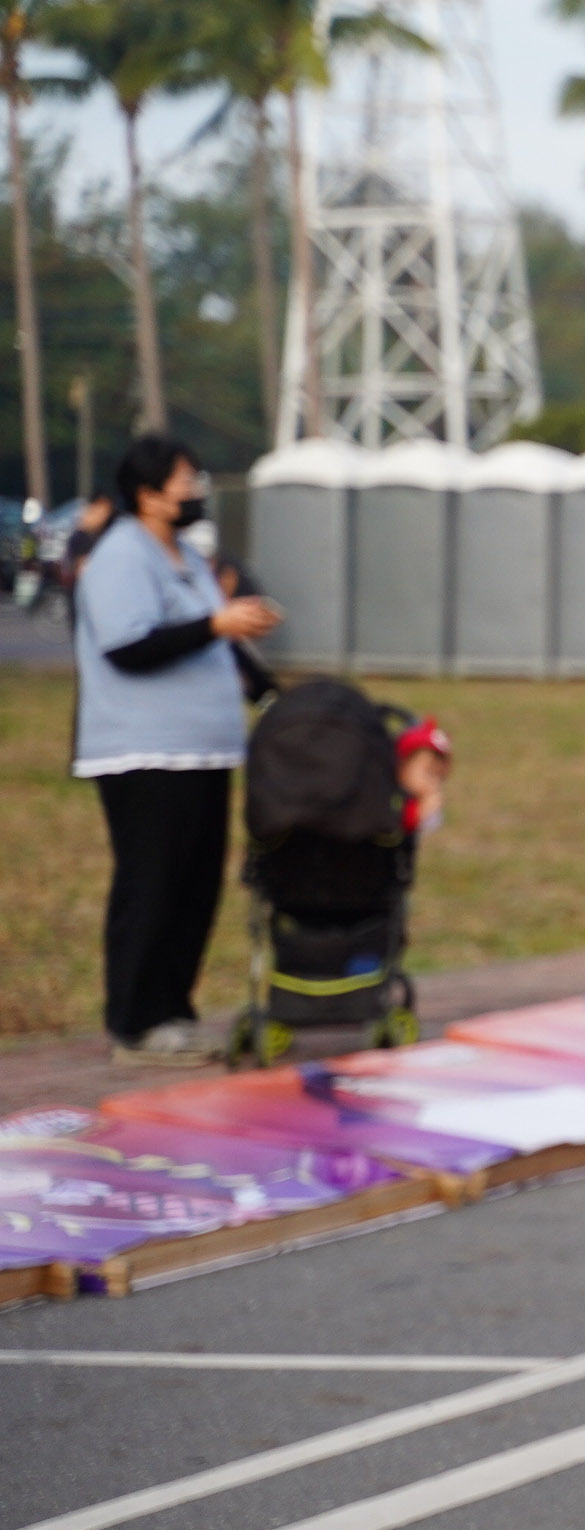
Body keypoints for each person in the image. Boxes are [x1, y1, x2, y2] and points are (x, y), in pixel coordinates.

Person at [71, 436, 284, 1065]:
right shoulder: (120, 554)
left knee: (194, 889)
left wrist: (272, 694)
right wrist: (217, 623)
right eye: (185, 481)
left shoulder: (186, 556)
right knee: (152, 884)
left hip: (204, 752)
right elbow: (128, 647)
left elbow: (215, 644)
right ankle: (135, 1025)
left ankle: (173, 1015)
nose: (196, 492)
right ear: (148, 494)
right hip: (145, 753)